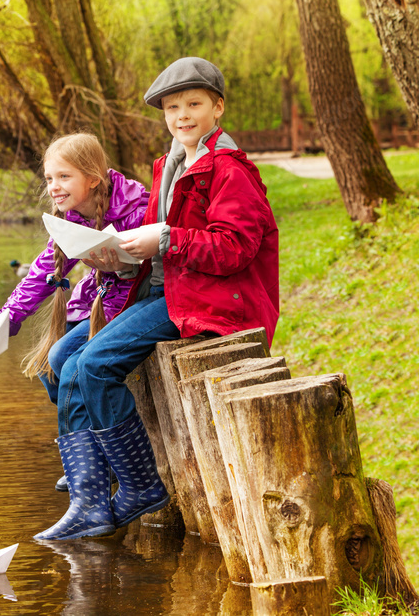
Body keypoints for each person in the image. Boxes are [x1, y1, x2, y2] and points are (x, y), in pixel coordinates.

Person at [35, 57, 280, 540]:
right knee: (61, 355)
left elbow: (235, 249)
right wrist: (119, 259)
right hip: (172, 290)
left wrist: (165, 239)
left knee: (95, 364)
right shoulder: (170, 165)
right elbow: (156, 244)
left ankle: (141, 486)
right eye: (173, 107)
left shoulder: (230, 172)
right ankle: (90, 488)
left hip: (215, 300)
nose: (182, 115)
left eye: (194, 104)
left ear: (217, 108)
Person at [0, 132, 150, 490]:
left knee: (66, 358)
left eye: (64, 177)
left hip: (132, 303)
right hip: (98, 299)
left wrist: (123, 268)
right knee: (49, 366)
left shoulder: (136, 206)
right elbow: (41, 273)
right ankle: (91, 457)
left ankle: (97, 465)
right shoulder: (73, 217)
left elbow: (153, 265)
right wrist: (7, 318)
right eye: (49, 179)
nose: (54, 187)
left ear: (93, 178)